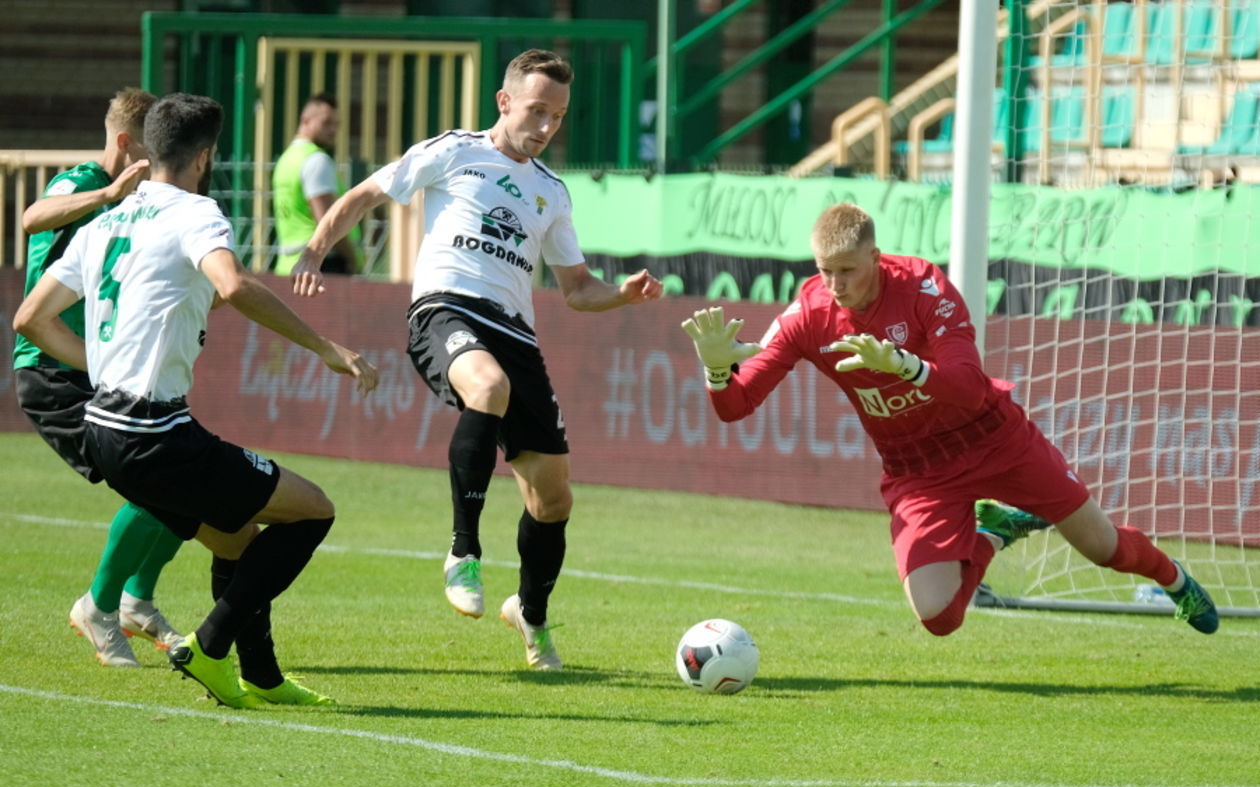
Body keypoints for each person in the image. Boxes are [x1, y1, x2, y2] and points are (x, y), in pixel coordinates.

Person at [680, 202, 1219, 637]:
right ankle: (992, 532)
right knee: (939, 618)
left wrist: (906, 366)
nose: (836, 284)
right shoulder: (807, 315)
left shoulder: (923, 288)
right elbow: (736, 408)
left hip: (993, 440)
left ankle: (1173, 581)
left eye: (847, 270)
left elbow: (965, 386)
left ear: (876, 256)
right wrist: (717, 371)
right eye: (824, 271)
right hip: (918, 470)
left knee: (1104, 549)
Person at [291, 48, 663, 670]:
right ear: (505, 101)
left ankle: (531, 613)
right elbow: (363, 195)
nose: (546, 127)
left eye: (558, 116)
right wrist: (315, 247)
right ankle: (463, 551)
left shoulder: (551, 192)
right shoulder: (454, 150)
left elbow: (576, 289)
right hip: (444, 310)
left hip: (517, 333)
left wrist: (622, 294)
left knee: (553, 498)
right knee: (486, 387)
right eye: (537, 110)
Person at [14, 92, 380, 708]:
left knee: (236, 540)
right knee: (314, 511)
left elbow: (29, 318)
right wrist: (324, 347)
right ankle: (209, 648)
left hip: (103, 426)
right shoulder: (196, 213)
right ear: (204, 156)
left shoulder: (106, 221)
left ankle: (260, 675)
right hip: (154, 432)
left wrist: (99, 363)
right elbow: (232, 285)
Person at [13, 87, 189, 668]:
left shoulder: (144, 205)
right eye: (147, 149)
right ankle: (101, 607)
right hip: (51, 372)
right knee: (156, 482)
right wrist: (109, 192)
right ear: (124, 143)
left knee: (187, 485)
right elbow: (32, 216)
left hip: (106, 373)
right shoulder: (84, 180)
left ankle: (136, 600)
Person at [272, 93, 361, 276]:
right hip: (322, 264)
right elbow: (328, 220)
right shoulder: (316, 161)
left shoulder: (286, 160)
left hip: (288, 264)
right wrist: (353, 259)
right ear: (305, 121)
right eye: (327, 123)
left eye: (337, 125)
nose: (333, 130)